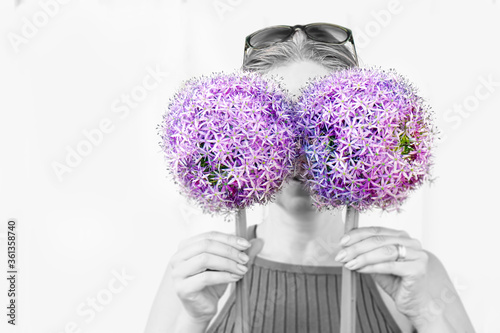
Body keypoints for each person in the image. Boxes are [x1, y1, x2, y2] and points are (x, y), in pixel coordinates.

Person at [145, 23, 475, 333]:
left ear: (367, 126)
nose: (299, 150)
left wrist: (427, 314)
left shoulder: (414, 273)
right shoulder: (196, 276)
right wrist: (194, 318)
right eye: (274, 119)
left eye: (323, 121)